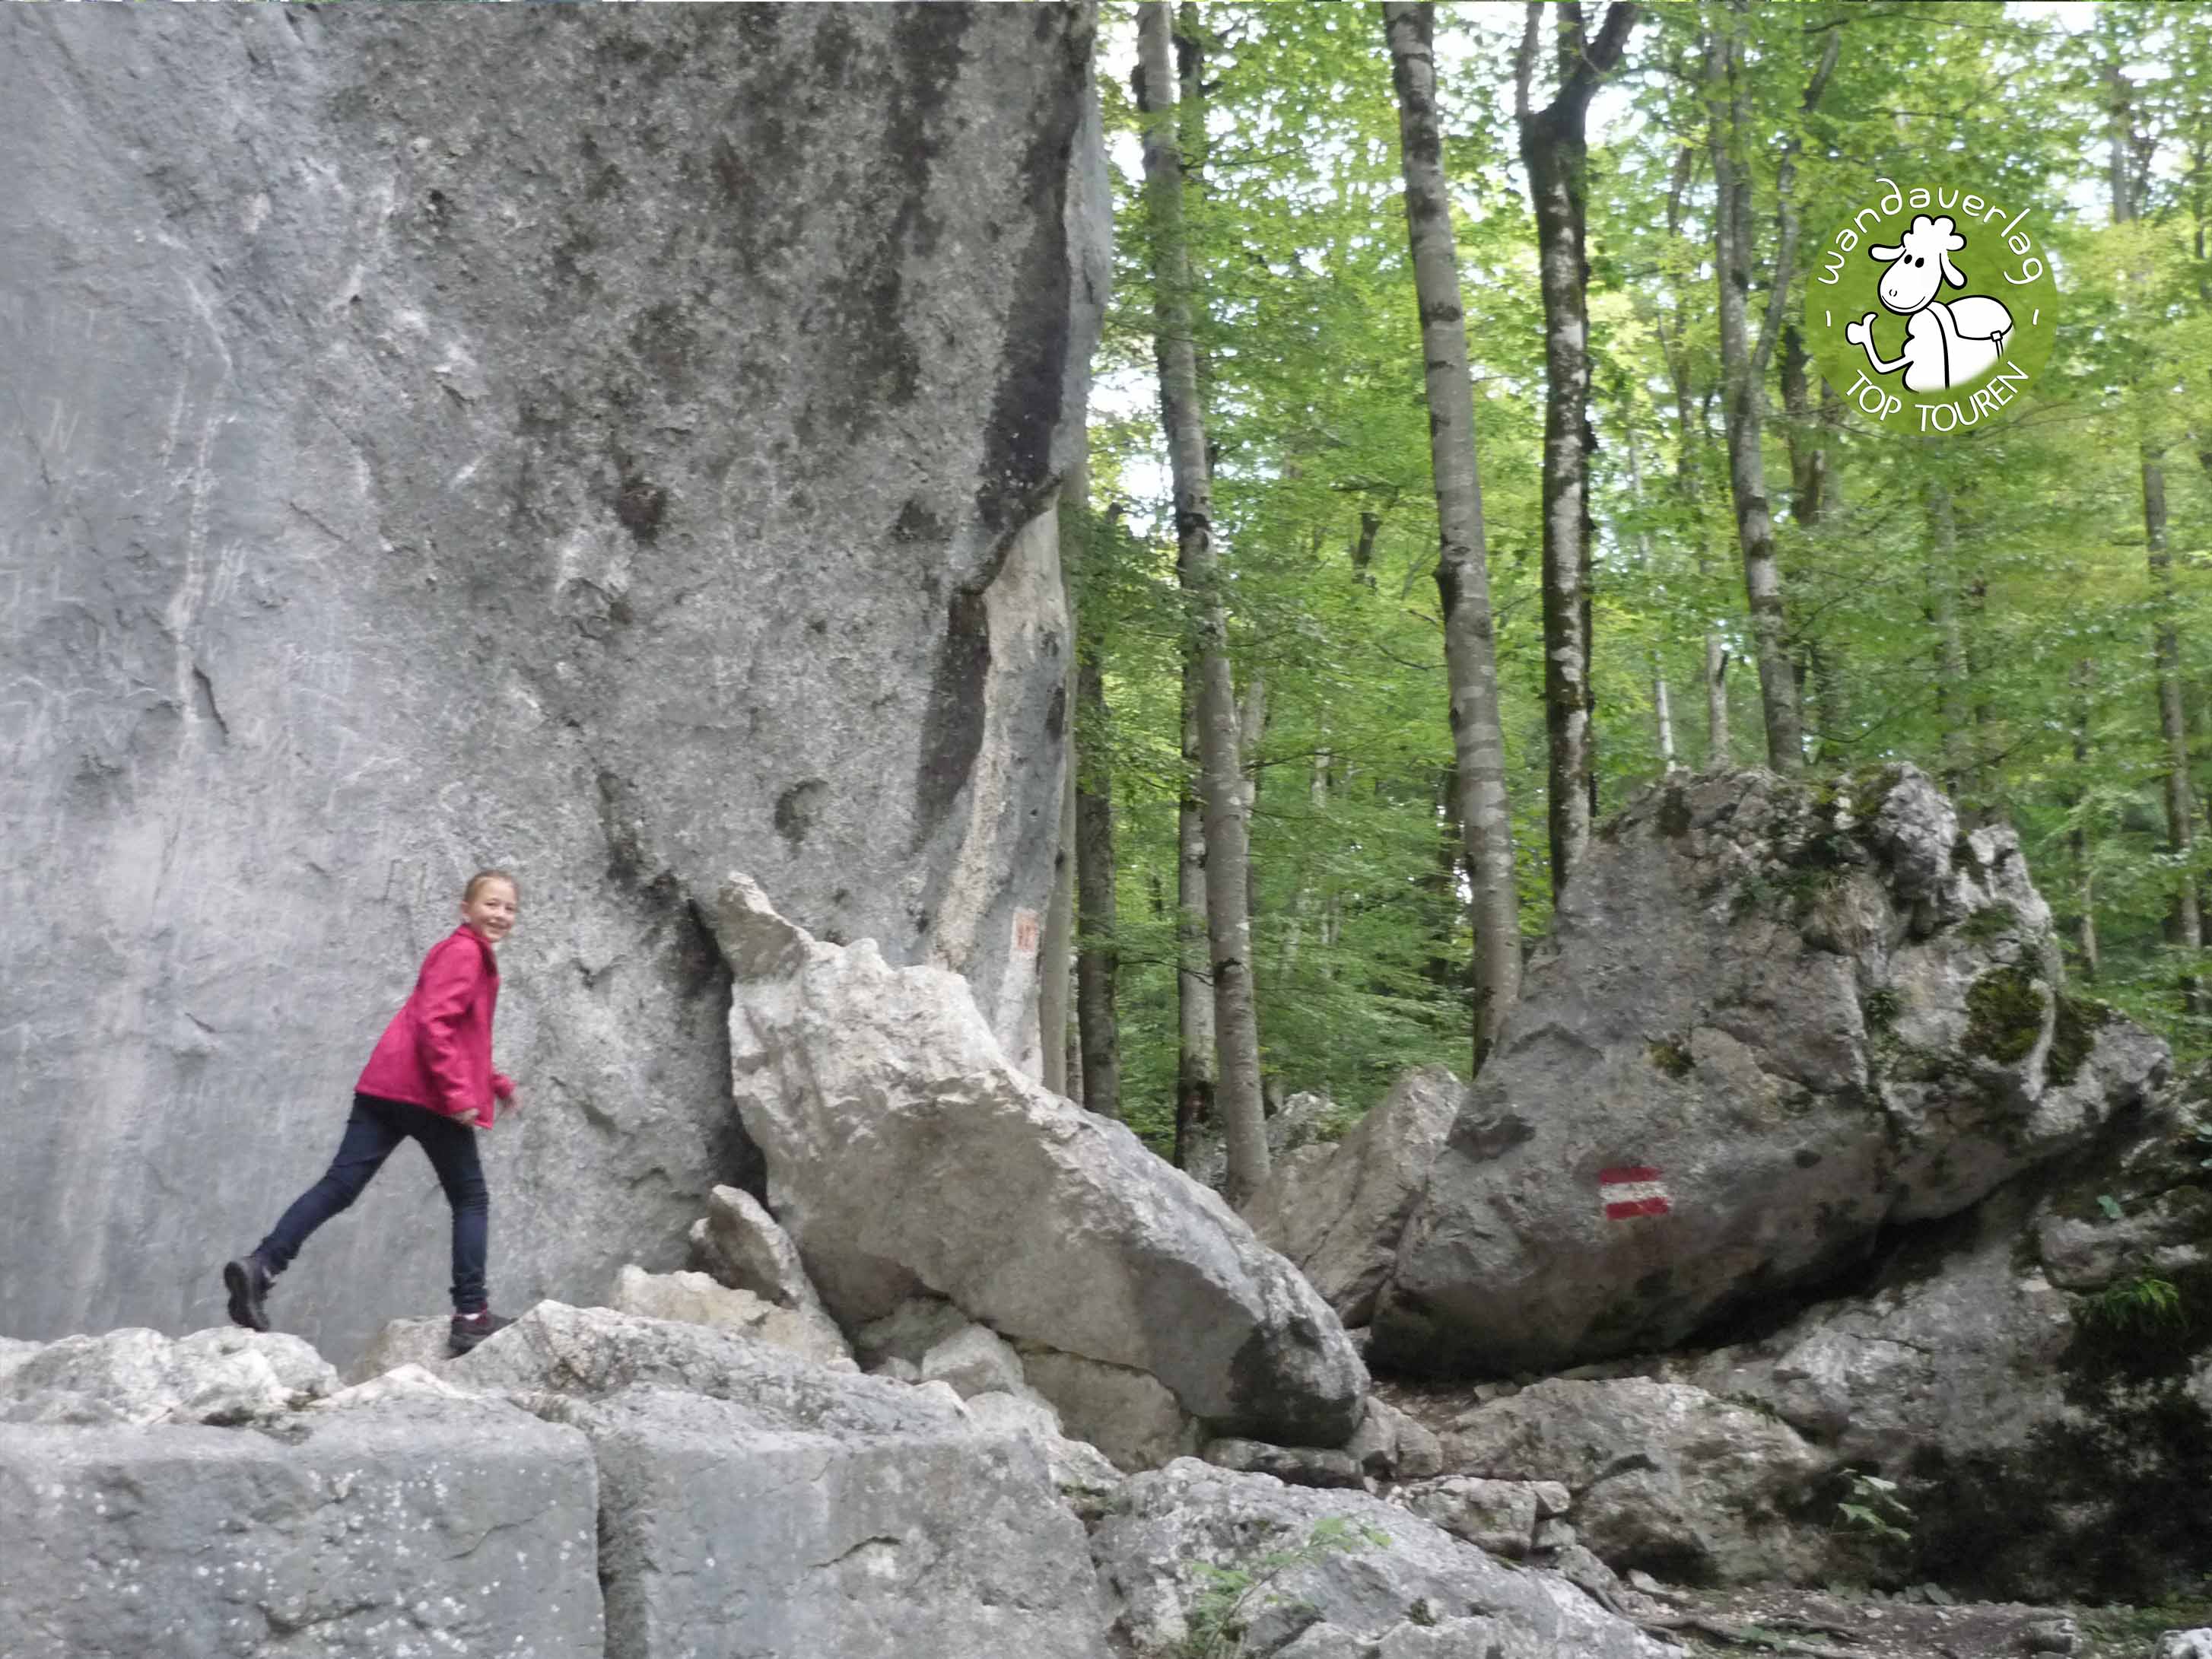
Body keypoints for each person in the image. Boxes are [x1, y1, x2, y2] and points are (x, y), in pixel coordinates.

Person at [224, 869, 523, 1357]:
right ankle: (471, 1315)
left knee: (339, 1186)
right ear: (464, 909)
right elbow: (434, 1024)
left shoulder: (458, 950)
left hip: (386, 1085)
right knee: (471, 1199)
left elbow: (454, 1032)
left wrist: (497, 1084)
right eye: (491, 904)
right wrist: (457, 1096)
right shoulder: (467, 953)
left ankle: (262, 1267)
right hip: (425, 1095)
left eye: (510, 908)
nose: (501, 915)